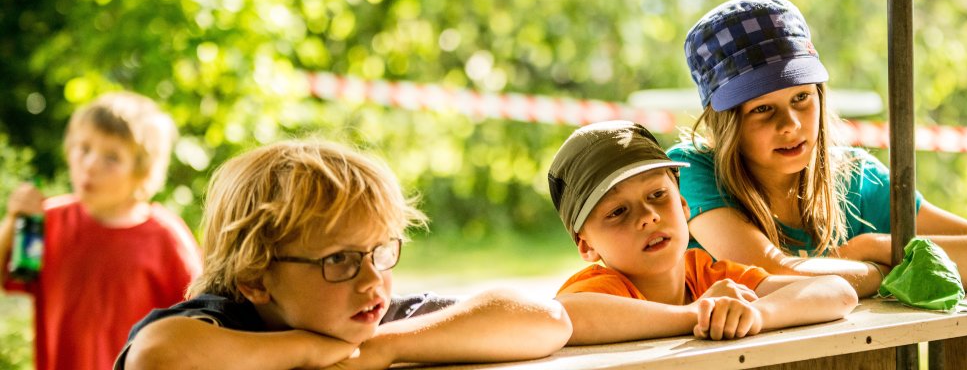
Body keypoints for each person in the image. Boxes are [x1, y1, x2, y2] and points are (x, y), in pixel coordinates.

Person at [667, 0, 967, 297]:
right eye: (762, 109)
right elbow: (768, 271)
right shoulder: (691, 171)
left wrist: (874, 246)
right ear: (724, 120)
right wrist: (872, 272)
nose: (790, 125)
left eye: (801, 98)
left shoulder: (855, 177)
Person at [117, 140, 572, 369]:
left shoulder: (365, 320)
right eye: (339, 260)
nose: (371, 280)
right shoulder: (220, 322)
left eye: (379, 252)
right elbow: (158, 355)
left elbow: (545, 320)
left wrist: (378, 347)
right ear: (255, 279)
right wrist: (310, 351)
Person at [548, 121, 857, 345]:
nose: (648, 216)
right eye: (617, 211)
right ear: (587, 246)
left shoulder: (708, 274)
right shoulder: (601, 289)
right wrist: (696, 314)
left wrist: (756, 314)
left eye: (657, 195)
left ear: (683, 205)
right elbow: (564, 316)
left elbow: (838, 292)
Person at [0, 92, 202, 370]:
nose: (91, 164)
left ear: (142, 172)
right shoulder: (47, 222)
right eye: (83, 148)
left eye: (112, 158)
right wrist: (12, 222)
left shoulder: (166, 238)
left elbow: (200, 322)